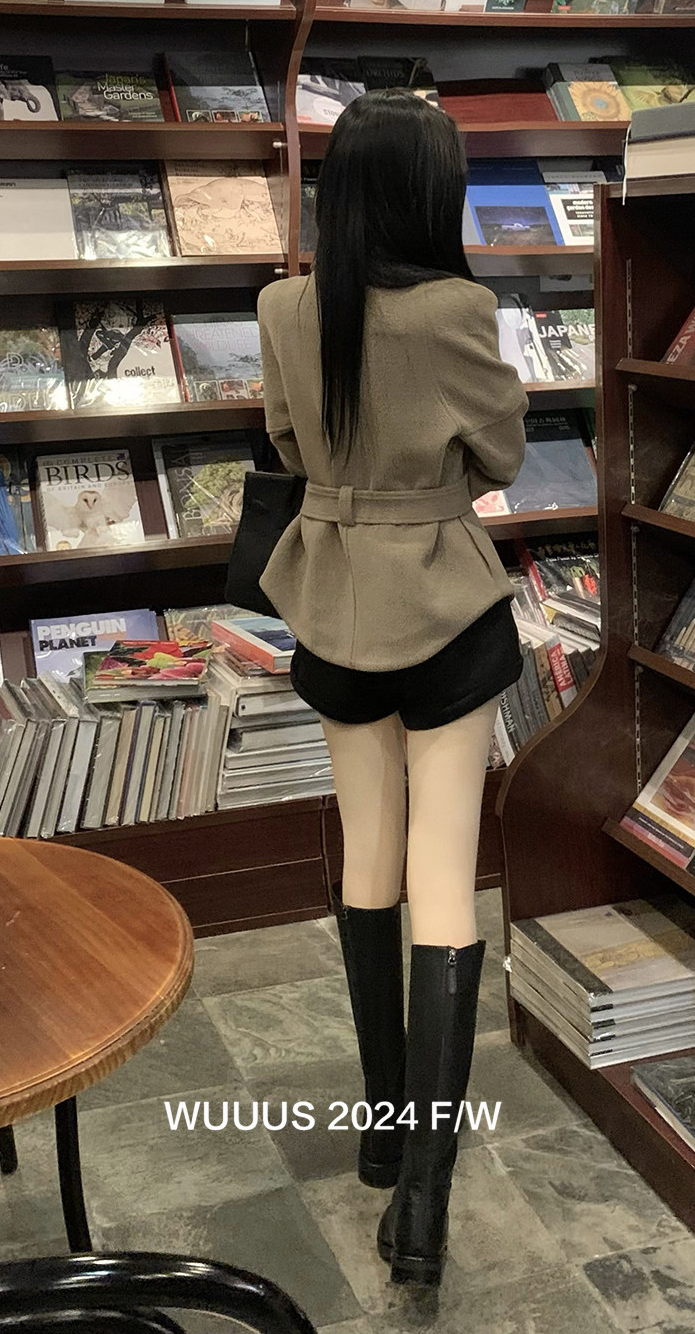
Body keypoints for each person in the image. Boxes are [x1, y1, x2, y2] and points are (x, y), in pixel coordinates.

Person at [256, 91, 527, 1287]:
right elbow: (501, 453)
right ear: (432, 191)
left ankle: (381, 1131)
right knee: (444, 877)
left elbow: (283, 439)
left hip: (330, 593)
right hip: (443, 601)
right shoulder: (459, 309)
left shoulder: (283, 305)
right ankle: (424, 1193)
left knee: (369, 854)